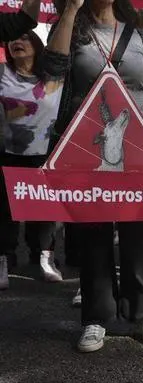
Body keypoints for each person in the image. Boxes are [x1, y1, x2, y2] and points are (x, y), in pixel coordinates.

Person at [46, 0, 143, 352]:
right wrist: (71, 10)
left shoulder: (137, 36)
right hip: (88, 147)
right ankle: (95, 317)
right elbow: (52, 68)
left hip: (139, 147)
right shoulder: (72, 30)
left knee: (138, 232)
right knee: (94, 233)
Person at [0, 30, 65, 290]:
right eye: (13, 38)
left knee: (45, 209)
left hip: (45, 154)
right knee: (4, 211)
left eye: (25, 38)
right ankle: (4, 259)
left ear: (38, 46)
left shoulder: (55, 78)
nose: (17, 41)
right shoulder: (2, 73)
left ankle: (46, 257)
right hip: (6, 152)